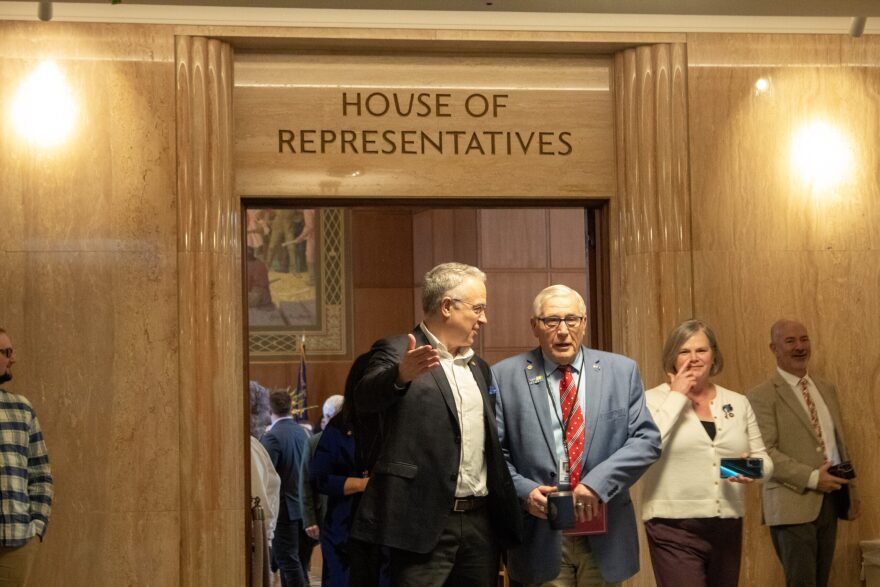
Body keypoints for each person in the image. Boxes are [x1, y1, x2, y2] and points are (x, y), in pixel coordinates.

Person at [351, 262, 522, 586]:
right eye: (478, 309)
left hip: (479, 525)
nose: (484, 319)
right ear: (446, 306)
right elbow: (363, 400)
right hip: (420, 523)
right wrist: (399, 376)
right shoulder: (398, 351)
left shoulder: (479, 367)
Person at [492, 285, 661, 586]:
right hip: (540, 533)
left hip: (604, 530)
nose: (562, 331)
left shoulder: (621, 372)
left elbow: (646, 440)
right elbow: (494, 454)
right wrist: (524, 492)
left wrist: (597, 484)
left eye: (571, 319)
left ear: (584, 323)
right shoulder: (504, 376)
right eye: (551, 321)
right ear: (534, 326)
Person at [640, 319, 773, 587]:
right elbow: (646, 446)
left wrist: (748, 470)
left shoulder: (737, 402)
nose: (694, 358)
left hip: (727, 524)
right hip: (672, 526)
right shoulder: (651, 400)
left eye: (701, 350)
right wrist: (677, 396)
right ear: (672, 358)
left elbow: (765, 462)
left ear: (713, 355)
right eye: (684, 351)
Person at [749, 319, 860, 587]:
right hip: (791, 506)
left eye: (804, 339)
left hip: (831, 501)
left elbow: (837, 444)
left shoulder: (826, 388)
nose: (799, 347)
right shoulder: (760, 396)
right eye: (790, 341)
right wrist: (812, 478)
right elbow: (764, 453)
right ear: (774, 348)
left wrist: (852, 492)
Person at [0, 327, 53, 587]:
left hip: (15, 545)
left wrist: (37, 526)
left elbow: (41, 474)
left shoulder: (21, 408)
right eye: (7, 352)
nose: (13, 359)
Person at [261, 390, 311, 587]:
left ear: (269, 409)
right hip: (304, 508)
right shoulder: (304, 432)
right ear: (291, 407)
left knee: (288, 562)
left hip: (284, 510)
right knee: (300, 562)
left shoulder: (272, 437)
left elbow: (266, 475)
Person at [299, 394, 344, 584]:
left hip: (351, 515)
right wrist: (309, 519)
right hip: (325, 515)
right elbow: (305, 482)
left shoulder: (357, 440)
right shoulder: (314, 442)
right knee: (331, 566)